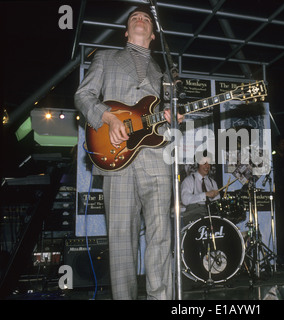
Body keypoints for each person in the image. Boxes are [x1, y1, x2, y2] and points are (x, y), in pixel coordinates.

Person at [75, 5, 183, 300]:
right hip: (116, 157)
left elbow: (153, 115)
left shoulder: (162, 73)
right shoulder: (106, 58)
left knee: (161, 235)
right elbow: (83, 95)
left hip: (154, 159)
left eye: (146, 18)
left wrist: (170, 117)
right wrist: (107, 118)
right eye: (134, 17)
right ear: (126, 31)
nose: (140, 19)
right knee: (122, 239)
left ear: (152, 34)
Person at [181, 152, 220, 224]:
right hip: (193, 214)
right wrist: (205, 195)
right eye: (204, 163)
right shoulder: (189, 180)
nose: (207, 166)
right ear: (198, 164)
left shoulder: (213, 182)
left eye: (209, 163)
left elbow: (217, 202)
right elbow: (185, 200)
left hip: (210, 214)